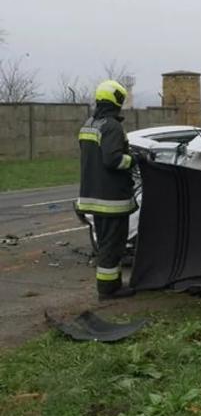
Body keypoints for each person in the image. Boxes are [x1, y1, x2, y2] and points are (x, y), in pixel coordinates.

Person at [76, 80, 139, 301]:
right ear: (117, 100)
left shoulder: (89, 124)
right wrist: (133, 160)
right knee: (113, 245)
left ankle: (110, 284)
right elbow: (113, 160)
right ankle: (109, 289)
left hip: (92, 195)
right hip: (111, 198)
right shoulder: (112, 126)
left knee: (105, 244)